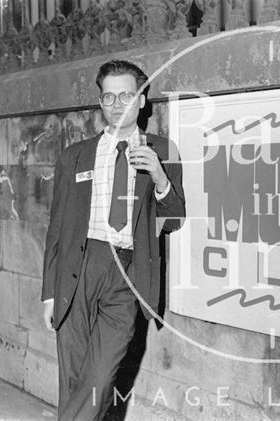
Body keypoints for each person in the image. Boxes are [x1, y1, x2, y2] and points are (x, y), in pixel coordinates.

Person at [41, 59, 185, 420]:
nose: (117, 104)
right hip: (78, 269)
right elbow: (57, 229)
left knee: (100, 378)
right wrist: (48, 292)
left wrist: (159, 177)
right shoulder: (74, 156)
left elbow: (174, 220)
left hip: (127, 275)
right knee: (74, 381)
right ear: (100, 102)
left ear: (142, 100)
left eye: (126, 95)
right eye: (109, 97)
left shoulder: (163, 151)